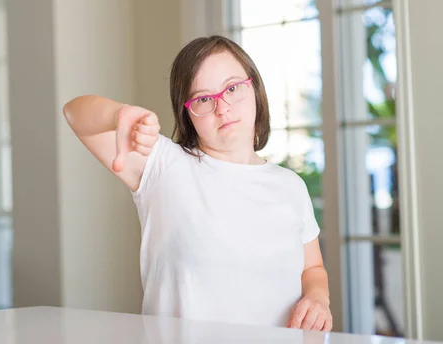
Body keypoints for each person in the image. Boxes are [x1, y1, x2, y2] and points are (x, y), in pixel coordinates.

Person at [62, 35, 332, 332]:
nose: (222, 107)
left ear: (254, 87)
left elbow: (312, 269)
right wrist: (118, 115)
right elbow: (75, 112)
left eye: (232, 88)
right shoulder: (165, 166)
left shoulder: (290, 186)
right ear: (186, 112)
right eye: (204, 98)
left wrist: (318, 298)